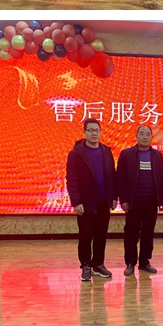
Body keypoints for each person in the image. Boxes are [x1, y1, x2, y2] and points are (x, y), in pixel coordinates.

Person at [65, 118, 118, 281]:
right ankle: (86, 265)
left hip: (104, 202)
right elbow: (71, 179)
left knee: (101, 236)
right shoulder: (76, 153)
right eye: (90, 130)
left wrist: (113, 197)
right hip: (86, 203)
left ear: (100, 132)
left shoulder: (106, 151)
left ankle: (98, 264)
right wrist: (76, 202)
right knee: (86, 236)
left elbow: (112, 176)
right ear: (84, 132)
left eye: (97, 130)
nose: (94, 133)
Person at [116, 124, 163, 276]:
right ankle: (130, 263)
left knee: (148, 233)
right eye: (142, 134)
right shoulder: (127, 154)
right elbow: (120, 179)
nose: (145, 137)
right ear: (136, 136)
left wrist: (162, 200)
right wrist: (123, 199)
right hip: (133, 201)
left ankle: (144, 262)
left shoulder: (157, 155)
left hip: (151, 201)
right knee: (131, 233)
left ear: (151, 137)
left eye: (148, 134)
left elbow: (162, 178)